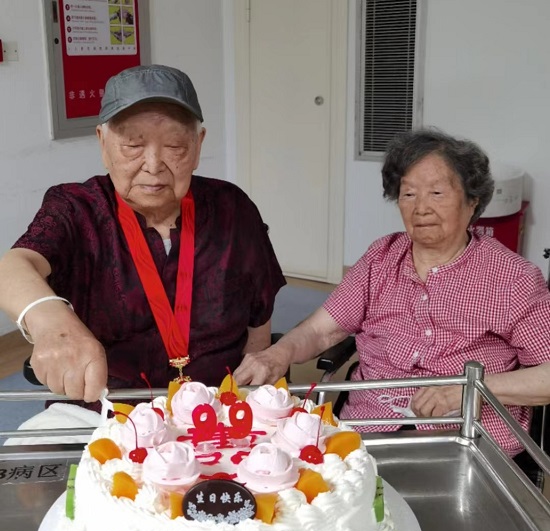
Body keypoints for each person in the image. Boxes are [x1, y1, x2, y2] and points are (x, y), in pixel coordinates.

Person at [234, 128, 550, 457]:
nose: (421, 208)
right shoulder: (381, 258)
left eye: (437, 193)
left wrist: (467, 390)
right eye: (408, 193)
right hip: (368, 426)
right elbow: (321, 330)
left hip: (463, 437)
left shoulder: (512, 277)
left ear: (473, 201)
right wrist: (279, 353)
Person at [0, 64, 285, 407]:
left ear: (197, 146)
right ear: (103, 143)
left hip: (215, 407)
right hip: (105, 409)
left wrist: (249, 396)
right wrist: (52, 323)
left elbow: (259, 315)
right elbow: (14, 265)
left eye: (175, 146)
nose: (152, 164)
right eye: (133, 145)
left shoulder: (233, 207)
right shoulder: (76, 209)